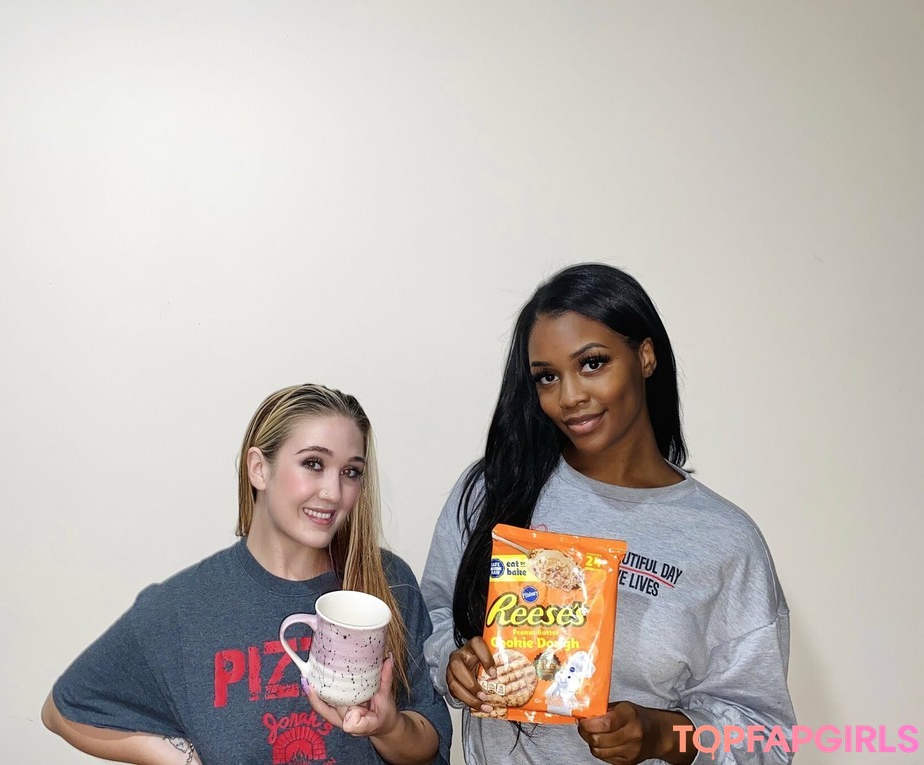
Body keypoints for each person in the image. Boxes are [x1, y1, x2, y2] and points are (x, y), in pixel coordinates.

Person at [420, 264, 795, 764]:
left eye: (592, 363)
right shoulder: (493, 489)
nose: (570, 397)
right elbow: (430, 619)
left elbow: (764, 738)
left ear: (645, 356)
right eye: (547, 377)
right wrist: (453, 663)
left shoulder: (725, 540)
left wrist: (662, 735)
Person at [43, 384, 451, 764]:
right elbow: (64, 710)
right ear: (258, 469)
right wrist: (181, 759)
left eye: (351, 472)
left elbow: (429, 743)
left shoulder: (386, 583)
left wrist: (387, 727)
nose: (333, 492)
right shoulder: (182, 608)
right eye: (313, 464)